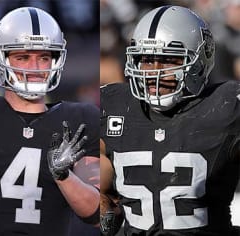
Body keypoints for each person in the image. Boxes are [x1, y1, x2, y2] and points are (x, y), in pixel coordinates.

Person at [100, 5, 240, 236]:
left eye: (169, 60)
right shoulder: (114, 107)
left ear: (199, 61)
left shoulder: (226, 106)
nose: (155, 72)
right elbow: (101, 192)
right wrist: (104, 211)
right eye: (146, 59)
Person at [0, 7, 100, 235]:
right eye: (23, 57)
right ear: (1, 58)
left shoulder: (77, 120)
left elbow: (97, 214)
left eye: (44, 57)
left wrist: (64, 176)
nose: (34, 68)